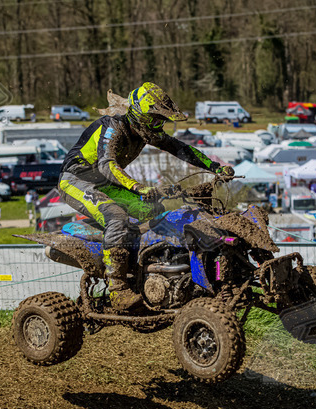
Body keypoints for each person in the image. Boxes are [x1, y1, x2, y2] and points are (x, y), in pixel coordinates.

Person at [57, 82, 234, 310]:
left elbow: (180, 148)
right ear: (140, 116)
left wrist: (215, 167)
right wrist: (138, 187)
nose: (158, 125)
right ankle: (117, 288)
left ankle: (143, 272)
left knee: (153, 209)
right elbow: (106, 165)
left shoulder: (144, 131)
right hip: (76, 180)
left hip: (106, 184)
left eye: (161, 121)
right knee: (116, 216)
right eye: (155, 120)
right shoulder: (113, 127)